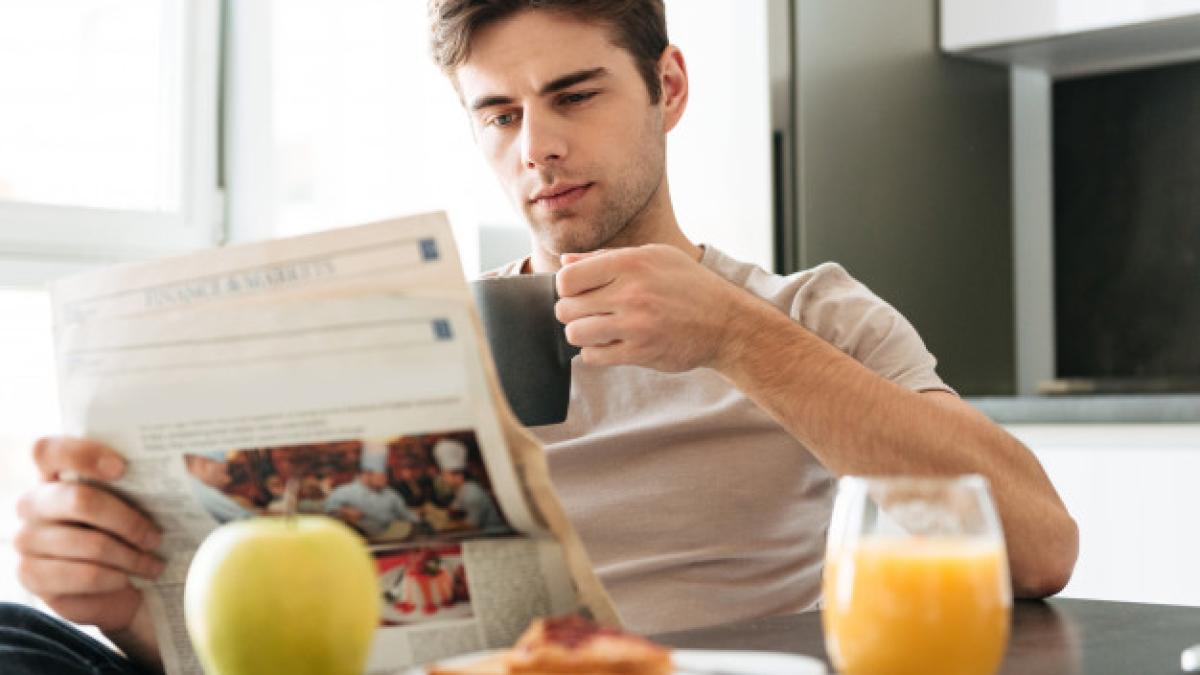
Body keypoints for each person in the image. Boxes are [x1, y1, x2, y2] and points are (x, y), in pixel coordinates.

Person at [4, 1, 1078, 672]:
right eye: (499, 114)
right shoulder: (418, 330)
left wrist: (738, 341)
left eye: (574, 95)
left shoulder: (804, 314)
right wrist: (120, 606)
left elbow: (1038, 543)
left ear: (666, 87)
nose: (540, 148)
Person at [324, 441, 422, 540]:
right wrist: (344, 511)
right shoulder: (343, 492)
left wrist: (419, 518)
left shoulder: (390, 494)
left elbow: (406, 514)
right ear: (367, 474)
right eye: (382, 475)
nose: (385, 479)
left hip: (391, 540)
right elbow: (328, 512)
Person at [432, 438, 507, 533]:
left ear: (458, 476)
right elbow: (453, 509)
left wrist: (445, 526)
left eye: (445, 475)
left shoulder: (472, 493)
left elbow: (472, 525)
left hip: (493, 534)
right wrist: (433, 511)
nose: (443, 478)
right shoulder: (461, 489)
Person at [182, 451, 254, 524]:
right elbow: (249, 521)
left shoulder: (192, 485)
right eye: (224, 472)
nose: (228, 480)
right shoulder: (202, 493)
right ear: (203, 464)